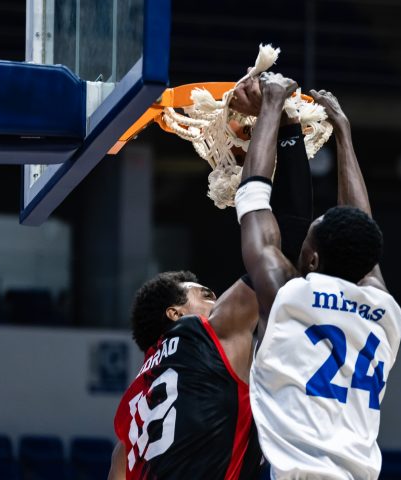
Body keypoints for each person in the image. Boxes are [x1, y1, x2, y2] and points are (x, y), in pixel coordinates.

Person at [107, 76, 315, 480]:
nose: (216, 299)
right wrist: (281, 123)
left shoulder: (130, 418)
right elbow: (284, 245)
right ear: (175, 313)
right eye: (203, 294)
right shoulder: (208, 335)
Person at [236, 73, 401, 479]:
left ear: (310, 258)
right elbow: (361, 227)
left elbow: (253, 198)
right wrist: (343, 133)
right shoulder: (386, 312)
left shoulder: (289, 295)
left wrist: (272, 104)